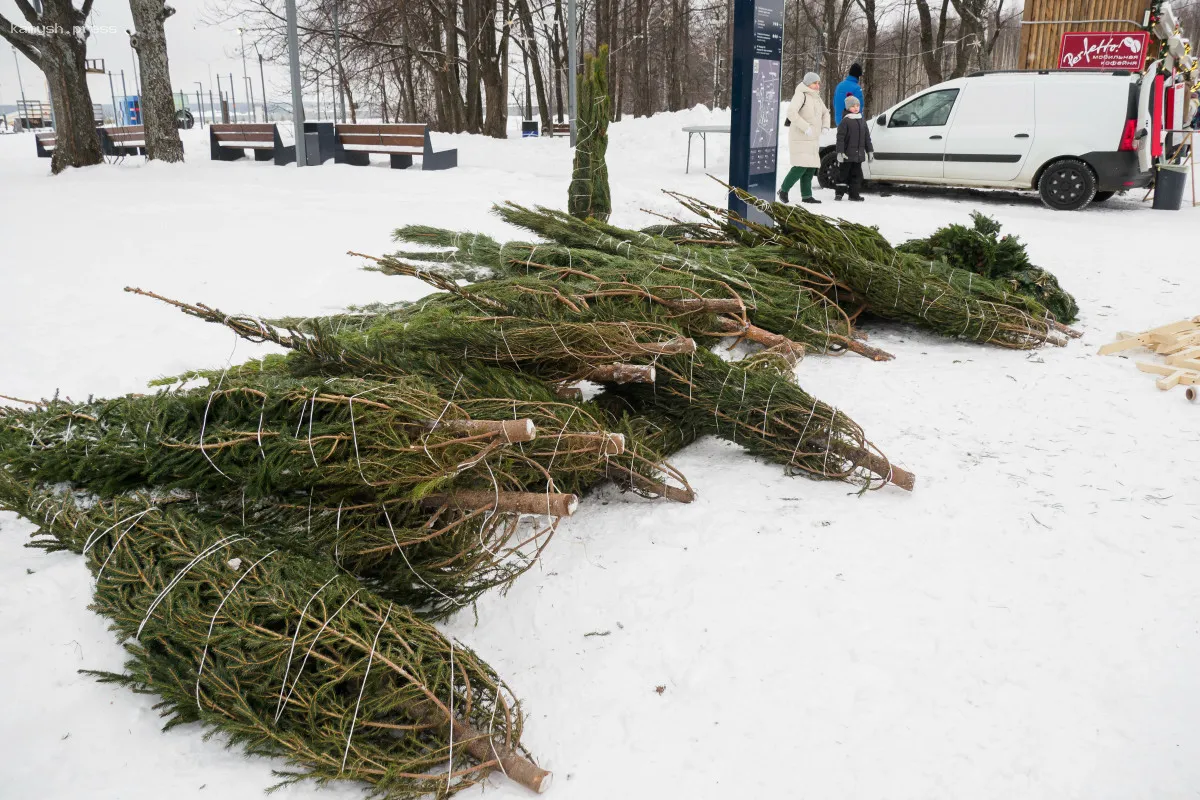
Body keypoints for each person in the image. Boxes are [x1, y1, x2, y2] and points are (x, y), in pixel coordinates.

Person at [778, 72, 831, 204]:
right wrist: (805, 127)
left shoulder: (817, 98)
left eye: (818, 83)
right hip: (800, 137)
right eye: (815, 83)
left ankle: (807, 196)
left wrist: (825, 126)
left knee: (811, 167)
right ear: (808, 83)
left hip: (813, 138)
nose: (817, 85)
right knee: (800, 166)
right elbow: (791, 112)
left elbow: (825, 113)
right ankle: (783, 190)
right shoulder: (800, 95)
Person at [835, 95, 873, 202]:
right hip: (847, 155)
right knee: (843, 174)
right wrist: (840, 152)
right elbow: (840, 138)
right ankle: (839, 193)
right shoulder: (845, 121)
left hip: (858, 156)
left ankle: (854, 194)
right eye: (853, 106)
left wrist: (870, 150)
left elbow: (867, 138)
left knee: (857, 175)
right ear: (847, 108)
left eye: (858, 105)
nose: (856, 108)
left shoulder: (862, 120)